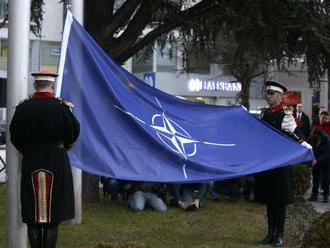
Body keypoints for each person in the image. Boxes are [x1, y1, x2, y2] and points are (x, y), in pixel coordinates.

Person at [10, 70, 80, 248]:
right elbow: (73, 135)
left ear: (35, 85)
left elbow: (15, 136)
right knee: (53, 215)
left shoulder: (23, 107)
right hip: (57, 160)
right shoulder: (63, 108)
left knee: (33, 213)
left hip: (31, 159)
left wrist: (28, 151)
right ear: (52, 85)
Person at [255, 80, 312, 247]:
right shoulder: (266, 113)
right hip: (268, 161)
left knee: (279, 200)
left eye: (272, 94)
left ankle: (279, 234)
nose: (269, 96)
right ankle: (270, 233)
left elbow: (293, 130)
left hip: (280, 161)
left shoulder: (285, 111)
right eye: (268, 93)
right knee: (269, 199)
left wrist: (302, 141)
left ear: (280, 96)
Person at [307, 129, 330, 203]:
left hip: (326, 160)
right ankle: (314, 195)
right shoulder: (311, 139)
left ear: (320, 139)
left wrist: (317, 160)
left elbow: (326, 153)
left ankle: (325, 195)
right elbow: (310, 149)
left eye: (319, 142)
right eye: (316, 143)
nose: (318, 144)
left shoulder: (326, 139)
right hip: (315, 159)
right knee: (315, 177)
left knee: (326, 178)